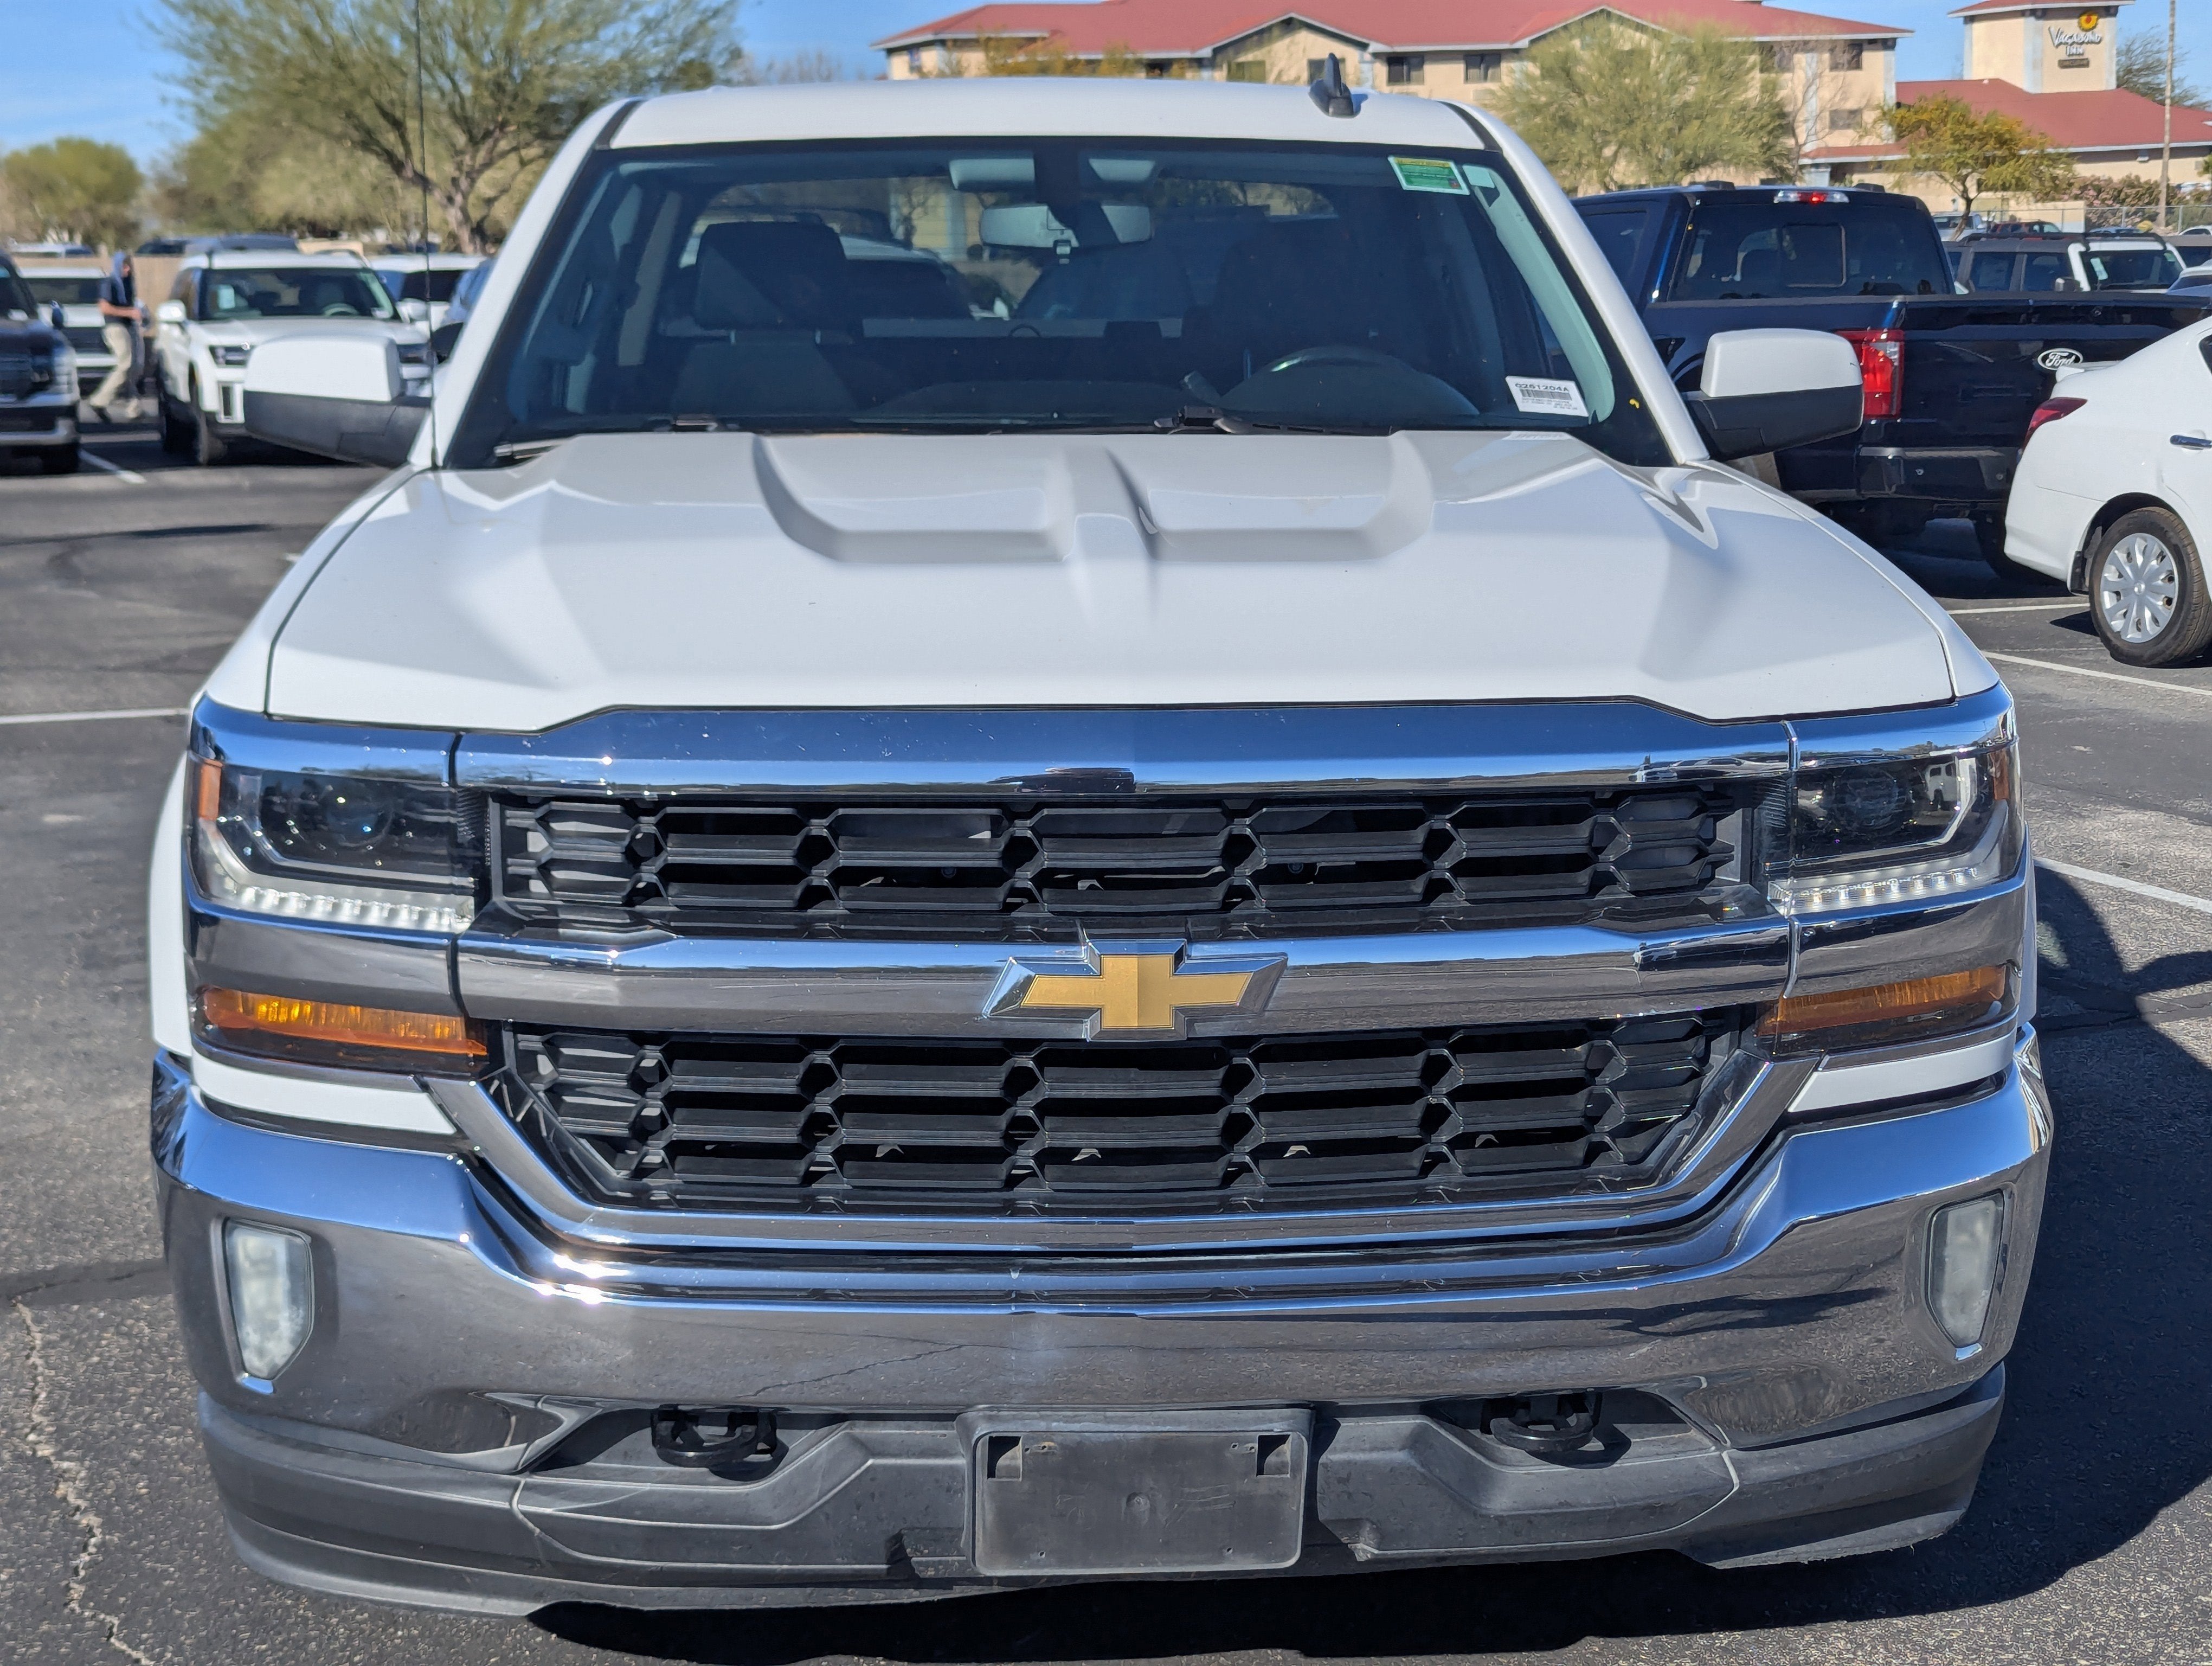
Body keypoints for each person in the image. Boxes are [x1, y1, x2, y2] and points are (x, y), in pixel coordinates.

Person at [88, 252, 142, 422]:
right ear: (117, 266)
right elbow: (104, 308)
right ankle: (98, 401)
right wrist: (129, 312)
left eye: (129, 266)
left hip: (128, 327)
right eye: (124, 266)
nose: (127, 269)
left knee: (134, 367)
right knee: (125, 364)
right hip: (115, 327)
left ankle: (134, 408)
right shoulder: (109, 283)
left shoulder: (128, 283)